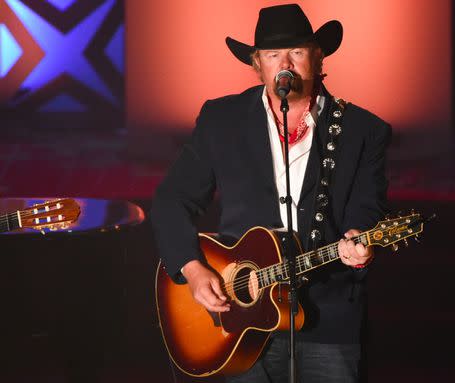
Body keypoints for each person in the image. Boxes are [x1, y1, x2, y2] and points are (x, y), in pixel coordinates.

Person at [151, 4, 391, 382]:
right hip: (239, 316)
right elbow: (171, 200)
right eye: (273, 54)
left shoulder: (364, 130)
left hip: (327, 320)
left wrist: (358, 239)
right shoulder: (221, 119)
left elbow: (367, 206)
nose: (286, 64)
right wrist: (193, 270)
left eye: (297, 51)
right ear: (256, 64)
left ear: (317, 57)